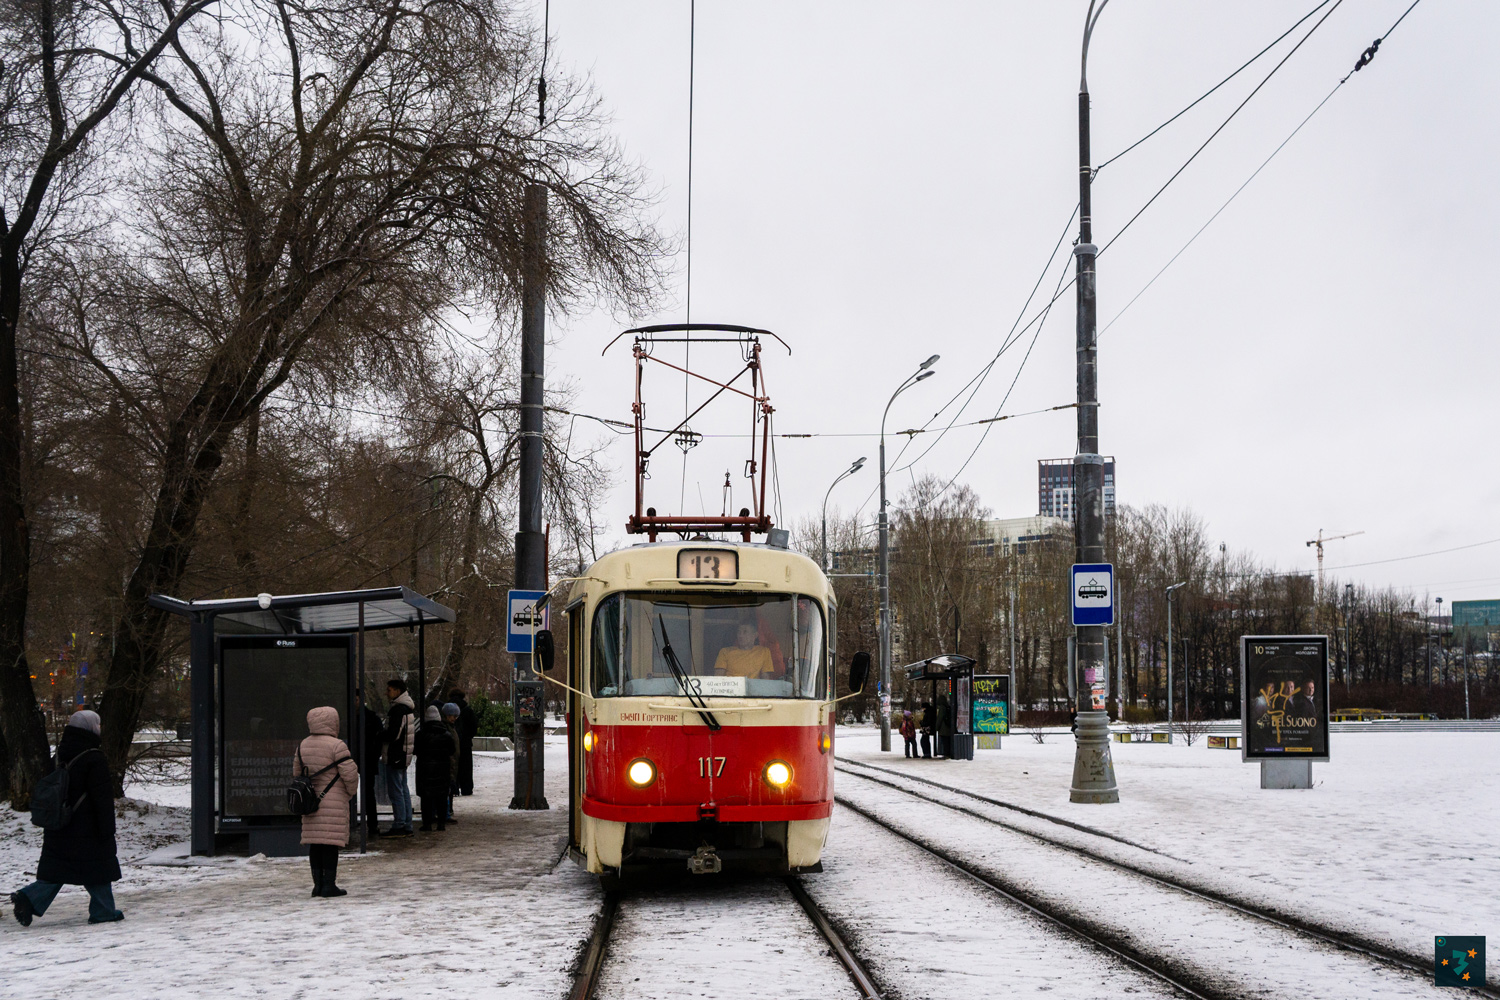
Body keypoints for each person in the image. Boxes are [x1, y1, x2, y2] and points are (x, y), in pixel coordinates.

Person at [10, 710, 124, 927]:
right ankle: (103, 911)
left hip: (60, 822)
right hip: (87, 826)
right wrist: (107, 829)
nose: (100, 728)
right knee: (97, 868)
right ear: (89, 728)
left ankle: (30, 897)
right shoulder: (94, 758)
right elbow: (102, 798)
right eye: (97, 724)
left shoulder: (61, 754)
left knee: (61, 868)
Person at [295, 706, 359, 898]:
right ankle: (329, 885)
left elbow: (297, 775)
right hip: (333, 801)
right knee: (330, 844)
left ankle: (317, 885)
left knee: (315, 844)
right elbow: (350, 775)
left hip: (311, 803)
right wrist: (349, 793)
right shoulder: (337, 745)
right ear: (333, 722)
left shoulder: (302, 745)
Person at [381, 678, 416, 837]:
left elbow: (393, 734)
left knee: (396, 792)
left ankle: (399, 824)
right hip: (404, 755)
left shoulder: (397, 710)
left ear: (397, 691)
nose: (386, 693)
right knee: (403, 790)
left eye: (389, 690)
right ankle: (406, 824)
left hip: (395, 755)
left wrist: (379, 735)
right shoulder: (407, 708)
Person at [414, 706, 457, 832]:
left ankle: (427, 824)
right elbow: (452, 751)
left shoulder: (421, 735)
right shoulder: (447, 735)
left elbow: (416, 750)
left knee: (426, 798)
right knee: (442, 797)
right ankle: (441, 824)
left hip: (425, 770)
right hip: (442, 770)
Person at [358, 689, 385, 840]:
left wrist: (374, 754)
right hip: (364, 758)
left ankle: (372, 824)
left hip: (367, 758)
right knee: (367, 792)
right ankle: (372, 824)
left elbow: (379, 738)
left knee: (368, 792)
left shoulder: (371, 718)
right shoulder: (370, 718)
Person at [449, 689, 478, 796]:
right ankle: (467, 789)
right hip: (465, 742)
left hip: (452, 742)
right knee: (466, 767)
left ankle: (454, 788)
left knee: (453, 765)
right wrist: (468, 737)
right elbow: (474, 727)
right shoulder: (467, 709)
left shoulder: (448, 709)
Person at [441, 702, 462, 823]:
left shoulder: (450, 728)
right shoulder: (447, 729)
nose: (454, 718)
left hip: (452, 763)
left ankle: (446, 812)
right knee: (447, 788)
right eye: (452, 715)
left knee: (449, 788)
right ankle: (445, 813)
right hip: (449, 763)